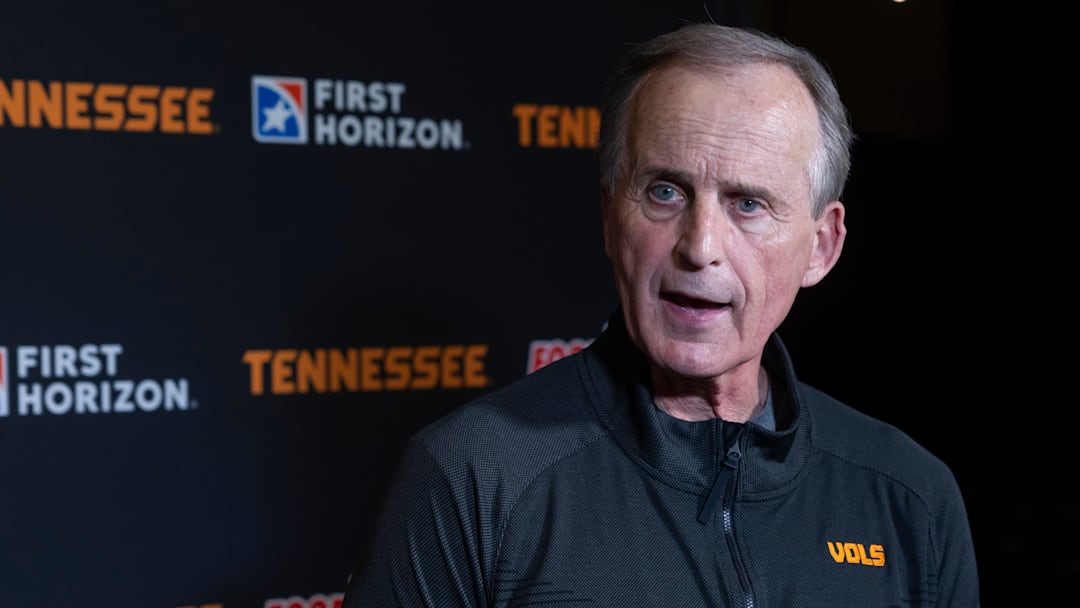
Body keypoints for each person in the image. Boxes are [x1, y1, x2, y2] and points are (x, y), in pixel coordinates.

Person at [342, 21, 980, 607]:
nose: (699, 246)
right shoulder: (471, 479)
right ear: (608, 216)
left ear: (821, 246)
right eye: (665, 192)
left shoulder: (911, 497)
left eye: (748, 203)